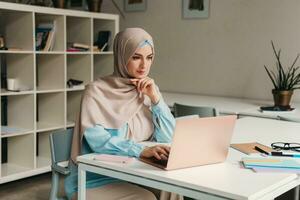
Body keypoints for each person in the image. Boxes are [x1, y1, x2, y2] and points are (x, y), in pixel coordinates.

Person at [66, 28, 183, 200]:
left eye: (149, 57)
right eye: (136, 57)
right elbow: (99, 142)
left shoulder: (148, 89)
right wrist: (139, 151)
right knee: (146, 198)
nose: (144, 65)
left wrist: (156, 100)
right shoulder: (96, 91)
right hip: (95, 178)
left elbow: (169, 137)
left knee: (173, 187)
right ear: (122, 56)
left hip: (134, 172)